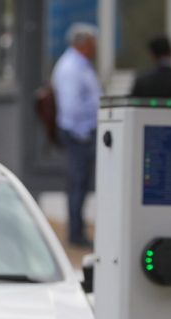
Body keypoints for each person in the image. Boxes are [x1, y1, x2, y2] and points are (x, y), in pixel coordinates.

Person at [51, 22, 102, 249]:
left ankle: (77, 230)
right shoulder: (71, 67)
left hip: (83, 132)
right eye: (93, 44)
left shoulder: (80, 65)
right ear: (83, 44)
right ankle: (76, 233)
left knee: (80, 183)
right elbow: (71, 107)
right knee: (77, 183)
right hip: (79, 134)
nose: (96, 48)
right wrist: (84, 133)